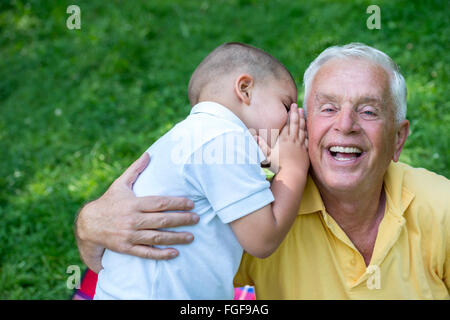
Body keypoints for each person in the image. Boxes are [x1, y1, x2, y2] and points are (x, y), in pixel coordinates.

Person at [75, 43, 450, 299]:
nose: (346, 125)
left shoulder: (441, 207)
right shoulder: (258, 202)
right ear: (304, 123)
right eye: (327, 108)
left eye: (368, 111)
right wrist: (89, 223)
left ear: (398, 139)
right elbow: (145, 255)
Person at [92, 42, 309, 299]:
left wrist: (274, 165)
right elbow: (262, 239)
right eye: (286, 106)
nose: (291, 120)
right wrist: (294, 167)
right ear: (245, 89)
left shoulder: (196, 137)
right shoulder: (223, 140)